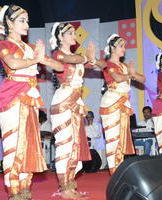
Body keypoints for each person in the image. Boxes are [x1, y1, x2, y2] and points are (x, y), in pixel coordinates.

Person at [0, 5, 63, 200]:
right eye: (21, 21)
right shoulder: (4, 45)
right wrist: (34, 59)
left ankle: (25, 190)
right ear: (9, 23)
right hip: (12, 98)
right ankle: (14, 191)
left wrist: (43, 59)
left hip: (31, 98)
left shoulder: (29, 48)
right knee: (13, 145)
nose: (27, 25)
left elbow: (59, 66)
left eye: (27, 21)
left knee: (28, 145)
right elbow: (13, 64)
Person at [49, 22, 103, 199]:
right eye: (70, 33)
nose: (74, 35)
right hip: (64, 101)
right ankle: (64, 189)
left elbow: (99, 65)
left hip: (75, 101)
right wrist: (86, 57)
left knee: (74, 145)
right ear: (59, 37)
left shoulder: (74, 55)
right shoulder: (58, 54)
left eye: (74, 32)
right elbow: (75, 60)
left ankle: (70, 186)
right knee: (64, 145)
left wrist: (92, 57)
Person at [97, 34, 146, 174]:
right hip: (111, 103)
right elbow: (117, 78)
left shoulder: (124, 66)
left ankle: (119, 170)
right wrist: (131, 75)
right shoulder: (108, 64)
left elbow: (142, 79)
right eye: (121, 46)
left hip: (123, 103)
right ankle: (115, 172)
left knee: (121, 138)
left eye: (124, 46)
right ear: (112, 48)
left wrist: (132, 73)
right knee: (113, 139)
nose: (124, 49)